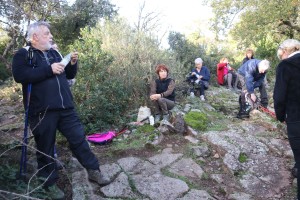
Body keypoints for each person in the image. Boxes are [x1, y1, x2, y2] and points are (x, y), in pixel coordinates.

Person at [12, 21, 109, 199]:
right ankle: (49, 184)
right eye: (47, 33)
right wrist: (48, 69)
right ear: (35, 37)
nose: (51, 36)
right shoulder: (23, 54)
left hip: (66, 108)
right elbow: (20, 75)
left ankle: (94, 171)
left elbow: (69, 75)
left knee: (79, 139)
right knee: (45, 148)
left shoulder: (55, 52)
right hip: (41, 110)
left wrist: (72, 64)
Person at [273, 39, 300, 199]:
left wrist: (280, 116)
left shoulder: (286, 65)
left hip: (296, 119)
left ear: (284, 51)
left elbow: (279, 97)